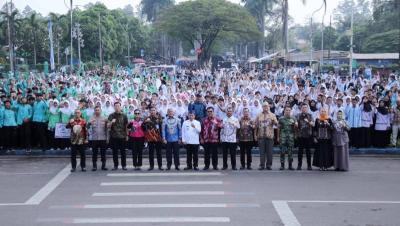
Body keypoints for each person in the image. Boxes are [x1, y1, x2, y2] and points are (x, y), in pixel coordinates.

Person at [255, 102, 278, 170]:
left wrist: (274, 122)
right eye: (264, 106)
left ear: (269, 107)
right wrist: (255, 135)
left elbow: (277, 125)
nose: (266, 108)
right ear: (262, 107)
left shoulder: (272, 115)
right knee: (262, 152)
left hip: (269, 136)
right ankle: (262, 165)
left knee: (270, 152)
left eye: (267, 106)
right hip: (261, 136)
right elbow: (256, 126)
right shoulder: (259, 115)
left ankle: (269, 165)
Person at [108, 102, 128, 170]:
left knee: (123, 152)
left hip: (122, 136)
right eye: (115, 106)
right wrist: (111, 122)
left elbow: (126, 126)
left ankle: (124, 165)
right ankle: (115, 165)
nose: (117, 107)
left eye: (118, 106)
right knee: (115, 152)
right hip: (114, 136)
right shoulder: (111, 115)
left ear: (120, 107)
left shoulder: (124, 115)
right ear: (114, 107)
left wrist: (127, 135)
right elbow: (108, 126)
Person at [142, 107, 164, 171]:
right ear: (150, 111)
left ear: (156, 111)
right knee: (151, 153)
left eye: (153, 110)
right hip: (150, 138)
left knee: (159, 153)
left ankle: (160, 166)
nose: (152, 111)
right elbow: (142, 127)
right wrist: (145, 122)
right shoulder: (147, 118)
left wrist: (150, 121)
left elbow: (159, 124)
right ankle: (151, 166)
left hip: (158, 137)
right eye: (151, 110)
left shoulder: (159, 118)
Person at [88, 106, 108, 171]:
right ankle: (94, 166)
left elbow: (108, 128)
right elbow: (87, 127)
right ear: (94, 111)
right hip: (94, 138)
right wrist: (89, 123)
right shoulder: (91, 118)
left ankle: (103, 165)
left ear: (101, 111)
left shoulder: (105, 118)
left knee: (103, 153)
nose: (97, 111)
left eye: (98, 110)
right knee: (94, 153)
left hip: (103, 138)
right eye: (96, 110)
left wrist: (107, 138)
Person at [278, 106, 297, 170]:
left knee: (290, 152)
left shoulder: (293, 118)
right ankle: (282, 165)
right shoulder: (281, 119)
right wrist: (278, 137)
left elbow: (295, 129)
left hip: (290, 137)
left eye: (289, 110)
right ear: (284, 111)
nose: (288, 111)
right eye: (286, 110)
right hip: (283, 137)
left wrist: (295, 134)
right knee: (282, 152)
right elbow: (278, 128)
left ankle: (290, 165)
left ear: (291, 111)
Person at [296, 103, 314, 170]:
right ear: (301, 108)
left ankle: (309, 165)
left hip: (308, 136)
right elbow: (296, 124)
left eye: (305, 108)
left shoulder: (310, 115)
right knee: (300, 151)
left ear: (307, 109)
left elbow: (313, 124)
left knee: (308, 151)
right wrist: (296, 124)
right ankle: (299, 165)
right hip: (300, 136)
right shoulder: (298, 115)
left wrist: (308, 121)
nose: (304, 109)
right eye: (303, 107)